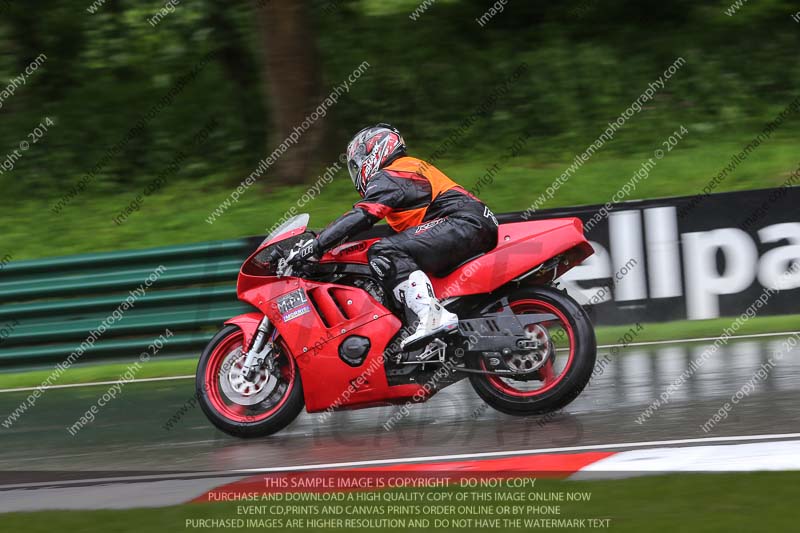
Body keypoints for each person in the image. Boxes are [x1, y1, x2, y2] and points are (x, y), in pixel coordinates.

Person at [289, 123, 498, 349]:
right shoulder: (405, 171)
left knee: (384, 251)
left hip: (463, 222)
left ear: (375, 150)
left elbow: (364, 214)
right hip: (467, 224)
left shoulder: (395, 173)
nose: (357, 169)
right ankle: (430, 331)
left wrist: (317, 245)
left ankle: (432, 316)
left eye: (358, 161)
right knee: (392, 254)